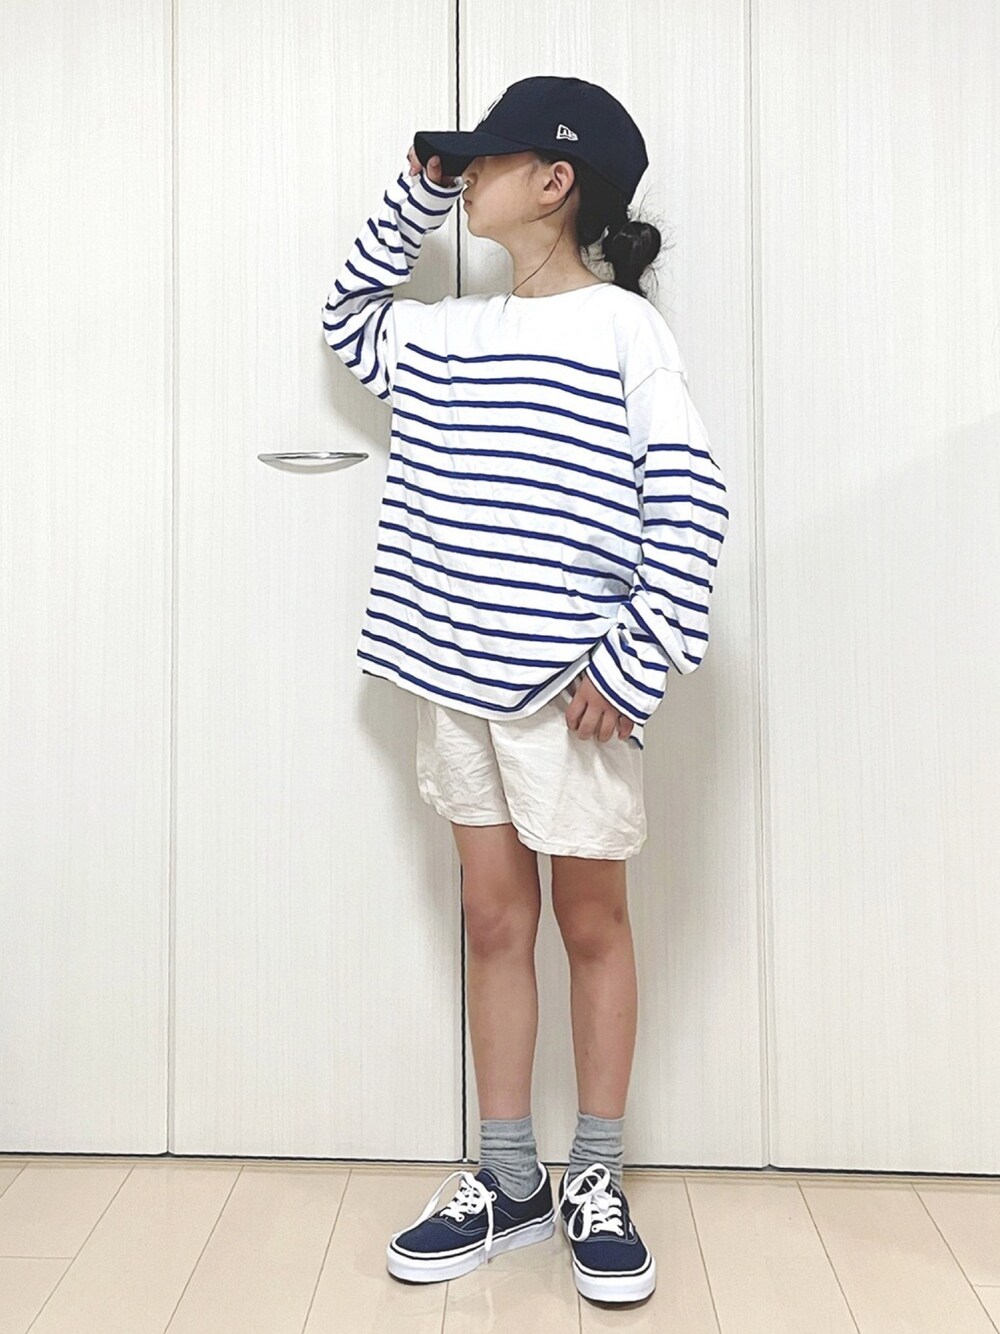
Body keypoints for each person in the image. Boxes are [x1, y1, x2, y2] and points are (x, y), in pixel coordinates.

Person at [322, 75, 729, 1306]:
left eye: (482, 161)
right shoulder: (445, 331)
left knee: (590, 923)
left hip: (571, 693)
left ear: (554, 181)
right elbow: (346, 317)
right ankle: (508, 1178)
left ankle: (594, 1170)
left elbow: (690, 499)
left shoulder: (624, 331)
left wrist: (633, 657)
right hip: (452, 676)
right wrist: (413, 195)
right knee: (494, 921)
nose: (462, 179)